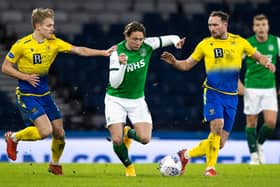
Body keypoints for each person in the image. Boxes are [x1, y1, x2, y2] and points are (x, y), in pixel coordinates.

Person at [1, 8, 115, 175]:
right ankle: (13, 138)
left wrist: (103, 52)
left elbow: (79, 50)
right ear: (38, 26)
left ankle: (54, 164)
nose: (52, 28)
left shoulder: (54, 42)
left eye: (53, 25)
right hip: (27, 93)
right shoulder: (21, 45)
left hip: (44, 93)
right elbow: (5, 67)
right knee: (45, 131)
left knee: (60, 132)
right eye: (49, 25)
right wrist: (24, 77)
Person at [160, 11, 275, 176]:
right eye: (209, 25)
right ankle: (210, 168)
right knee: (217, 125)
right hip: (213, 93)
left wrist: (267, 63)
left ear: (225, 25)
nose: (212, 28)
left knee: (220, 143)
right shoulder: (205, 44)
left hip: (232, 97)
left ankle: (185, 155)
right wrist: (175, 62)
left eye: (215, 25)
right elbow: (187, 65)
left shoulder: (239, 42)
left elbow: (258, 56)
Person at [105, 21, 185, 176]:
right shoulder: (116, 53)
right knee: (116, 140)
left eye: (140, 39)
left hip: (137, 100)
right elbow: (114, 84)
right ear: (126, 36)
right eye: (134, 39)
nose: (138, 42)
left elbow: (169, 38)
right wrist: (122, 65)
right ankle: (129, 167)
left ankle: (127, 131)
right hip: (115, 99)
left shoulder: (147, 45)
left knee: (145, 139)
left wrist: (176, 42)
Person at [238, 14, 279, 165]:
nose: (261, 28)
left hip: (269, 88)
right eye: (258, 25)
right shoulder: (247, 44)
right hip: (251, 88)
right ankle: (254, 156)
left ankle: (259, 144)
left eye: (264, 25)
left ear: (268, 26)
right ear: (254, 27)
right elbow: (234, 65)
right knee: (251, 123)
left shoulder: (276, 42)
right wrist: (237, 83)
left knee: (271, 123)